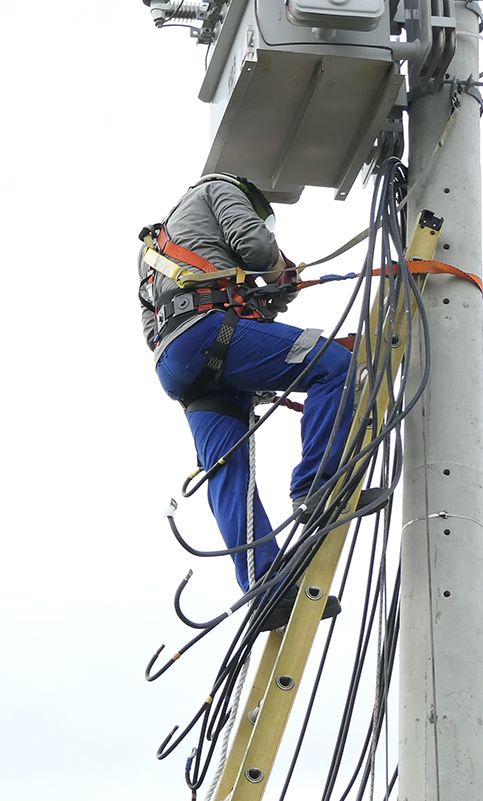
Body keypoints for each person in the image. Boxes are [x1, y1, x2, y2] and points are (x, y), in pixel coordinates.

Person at [138, 173, 357, 598]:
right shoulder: (219, 188)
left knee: (227, 472)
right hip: (209, 334)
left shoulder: (150, 252)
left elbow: (152, 328)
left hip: (176, 365)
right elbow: (255, 248)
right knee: (333, 365)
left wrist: (258, 304)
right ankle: (316, 488)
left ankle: (265, 588)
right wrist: (281, 270)